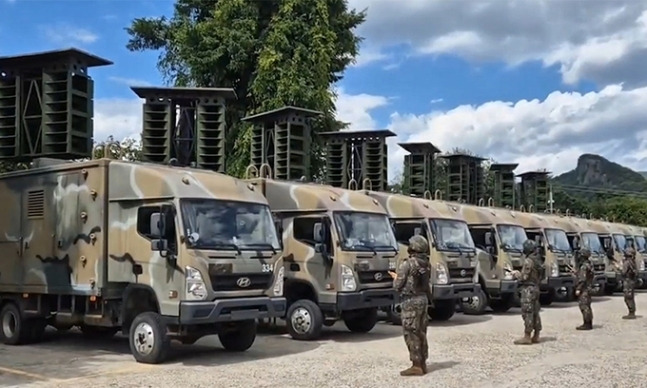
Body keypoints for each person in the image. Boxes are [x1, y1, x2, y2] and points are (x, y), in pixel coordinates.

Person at [388, 235, 432, 376]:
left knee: (411, 332)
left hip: (410, 301)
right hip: (423, 300)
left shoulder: (407, 264)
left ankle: (416, 365)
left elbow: (398, 285)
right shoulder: (426, 264)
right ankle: (423, 362)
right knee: (421, 332)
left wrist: (396, 277)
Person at [510, 239, 543, 345]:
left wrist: (516, 274)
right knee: (535, 312)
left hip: (528, 289)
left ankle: (527, 336)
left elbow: (524, 277)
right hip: (536, 288)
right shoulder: (538, 260)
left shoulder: (529, 260)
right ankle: (536, 335)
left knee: (527, 312)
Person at [574, 247, 594, 330]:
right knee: (587, 305)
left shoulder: (583, 266)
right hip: (588, 287)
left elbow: (582, 279)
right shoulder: (589, 264)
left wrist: (578, 289)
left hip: (584, 289)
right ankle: (589, 322)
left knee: (584, 306)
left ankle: (587, 324)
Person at [622, 246, 638, 319]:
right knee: (631, 296)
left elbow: (623, 272)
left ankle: (631, 312)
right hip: (632, 281)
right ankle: (632, 311)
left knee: (628, 297)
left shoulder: (627, 262)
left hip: (628, 281)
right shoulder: (633, 262)